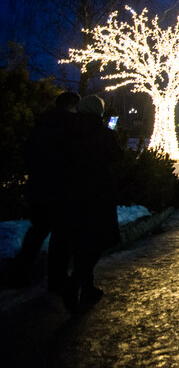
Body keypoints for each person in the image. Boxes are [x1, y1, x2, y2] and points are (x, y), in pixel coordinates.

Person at [55, 95, 123, 313]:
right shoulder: (103, 133)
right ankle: (74, 285)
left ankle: (86, 288)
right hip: (97, 195)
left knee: (78, 241)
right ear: (99, 112)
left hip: (70, 194)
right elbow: (117, 156)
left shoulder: (64, 131)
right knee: (94, 243)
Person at [12, 91, 80, 289]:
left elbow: (27, 154)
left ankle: (20, 271)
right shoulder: (70, 126)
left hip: (39, 187)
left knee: (38, 229)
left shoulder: (41, 125)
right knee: (61, 234)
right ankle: (56, 278)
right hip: (62, 189)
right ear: (72, 106)